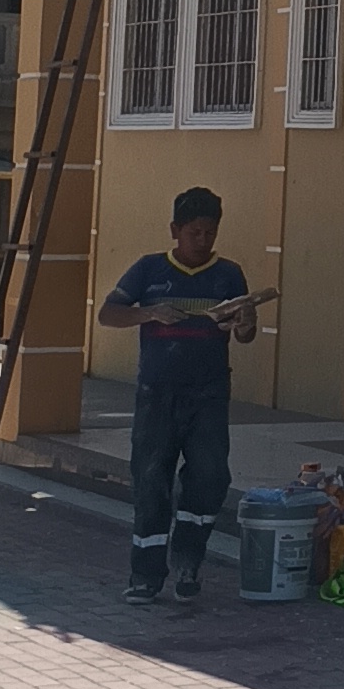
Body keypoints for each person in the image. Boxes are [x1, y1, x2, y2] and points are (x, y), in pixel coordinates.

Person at [95, 187, 272, 604]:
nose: (203, 240)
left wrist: (245, 322)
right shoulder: (148, 269)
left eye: (210, 233)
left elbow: (244, 335)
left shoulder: (228, 274)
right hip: (157, 394)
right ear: (175, 230)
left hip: (209, 393)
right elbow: (108, 314)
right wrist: (149, 313)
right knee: (150, 479)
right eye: (194, 232)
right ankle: (145, 575)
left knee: (210, 476)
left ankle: (189, 560)